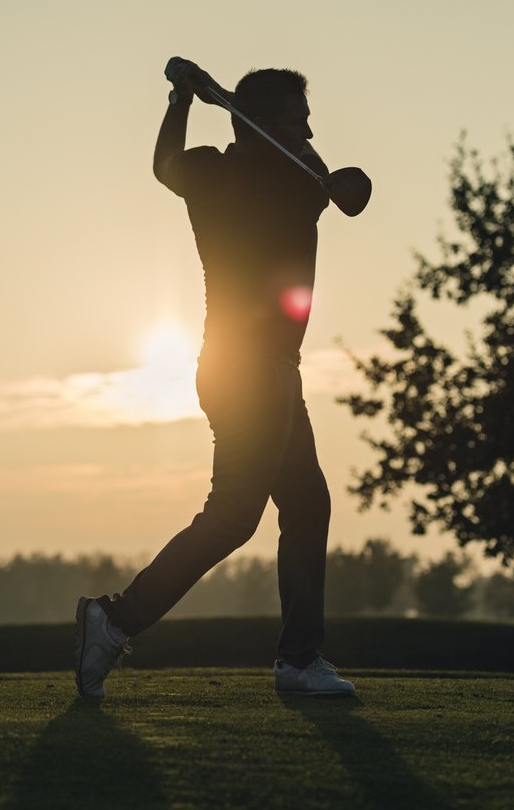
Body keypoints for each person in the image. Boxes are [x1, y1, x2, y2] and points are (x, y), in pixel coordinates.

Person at [74, 57, 363, 698]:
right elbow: (164, 167)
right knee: (235, 514)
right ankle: (116, 617)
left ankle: (297, 660)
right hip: (249, 371)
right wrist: (184, 99)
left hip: (261, 370)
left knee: (306, 504)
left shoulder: (282, 174)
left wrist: (189, 103)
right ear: (259, 123)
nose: (309, 133)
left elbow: (347, 189)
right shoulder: (245, 175)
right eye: (297, 121)